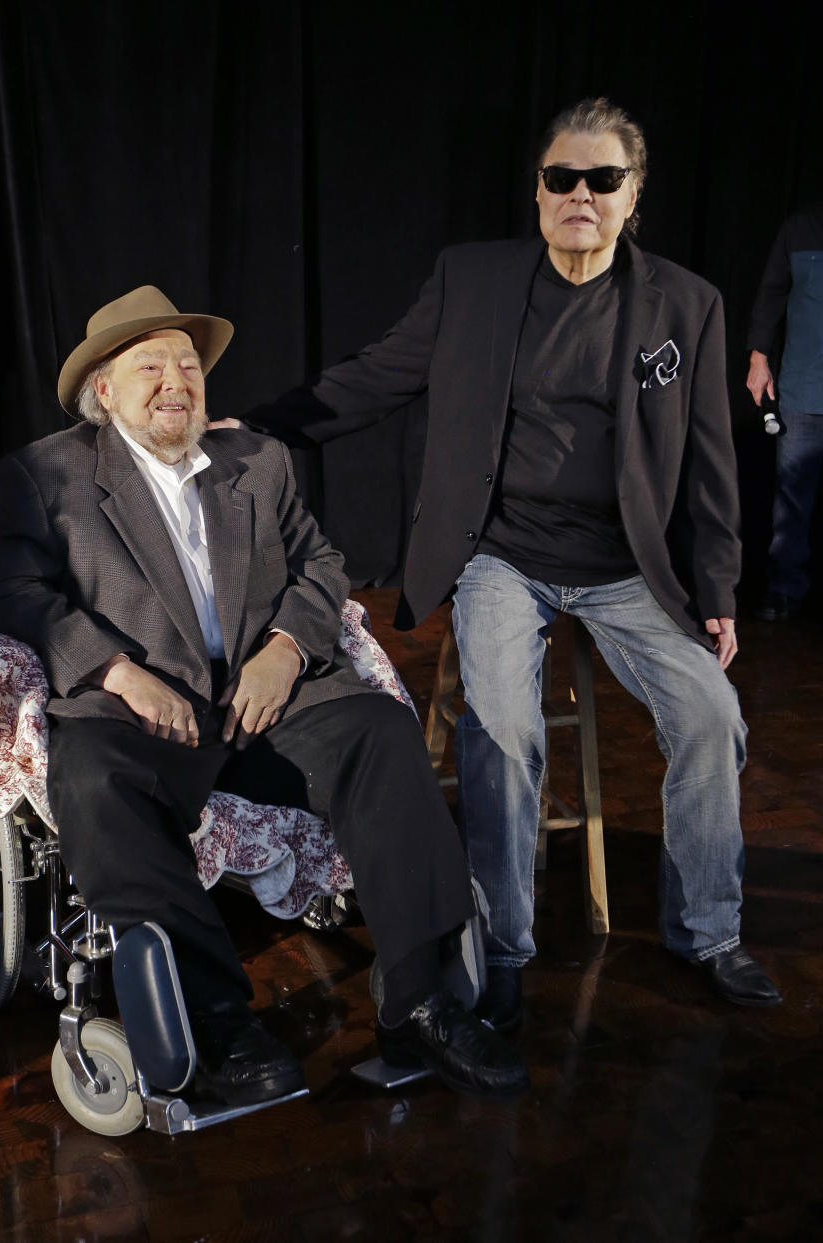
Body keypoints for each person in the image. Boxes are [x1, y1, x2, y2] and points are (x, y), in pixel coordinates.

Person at [246, 98, 782, 1021]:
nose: (580, 194)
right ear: (537, 191)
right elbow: (376, 376)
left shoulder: (685, 306)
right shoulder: (475, 281)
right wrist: (261, 425)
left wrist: (720, 589)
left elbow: (710, 465)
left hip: (628, 566)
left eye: (602, 179)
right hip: (501, 554)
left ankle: (711, 931)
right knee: (503, 726)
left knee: (711, 713)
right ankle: (499, 947)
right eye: (561, 178)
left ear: (633, 194)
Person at [0, 284, 529, 1105]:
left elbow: (321, 566)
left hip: (259, 698)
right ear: (104, 389)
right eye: (151, 365)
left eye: (188, 363)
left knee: (380, 729)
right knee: (92, 779)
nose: (177, 379)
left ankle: (423, 999)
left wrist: (284, 649)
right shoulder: (45, 475)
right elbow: (17, 592)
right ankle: (217, 1019)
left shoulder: (255, 461)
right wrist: (115, 673)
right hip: (141, 712)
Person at [746, 202, 823, 621]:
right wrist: (758, 359)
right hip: (804, 387)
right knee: (792, 499)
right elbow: (771, 291)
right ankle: (784, 590)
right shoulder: (801, 229)